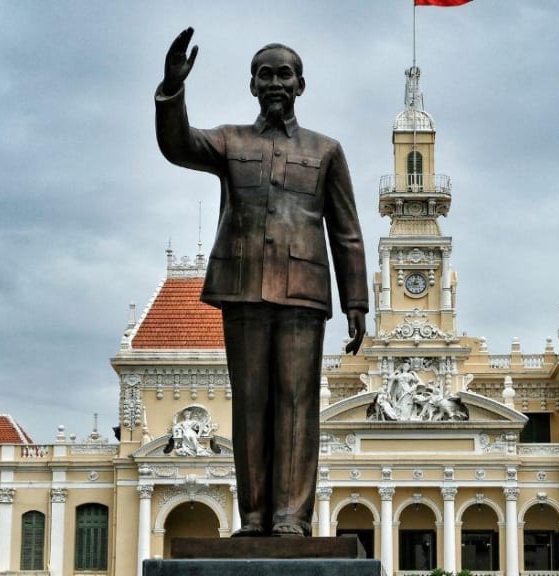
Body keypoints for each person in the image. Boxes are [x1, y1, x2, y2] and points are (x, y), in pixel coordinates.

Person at [155, 27, 368, 537]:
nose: (275, 83)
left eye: (284, 75)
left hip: (303, 293)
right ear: (252, 85)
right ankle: (252, 517)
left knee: (297, 404)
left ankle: (291, 516)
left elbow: (346, 231)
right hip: (243, 286)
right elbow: (178, 144)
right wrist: (172, 88)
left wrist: (356, 301)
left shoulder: (326, 150)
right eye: (265, 75)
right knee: (250, 404)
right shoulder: (231, 141)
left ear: (300, 85)